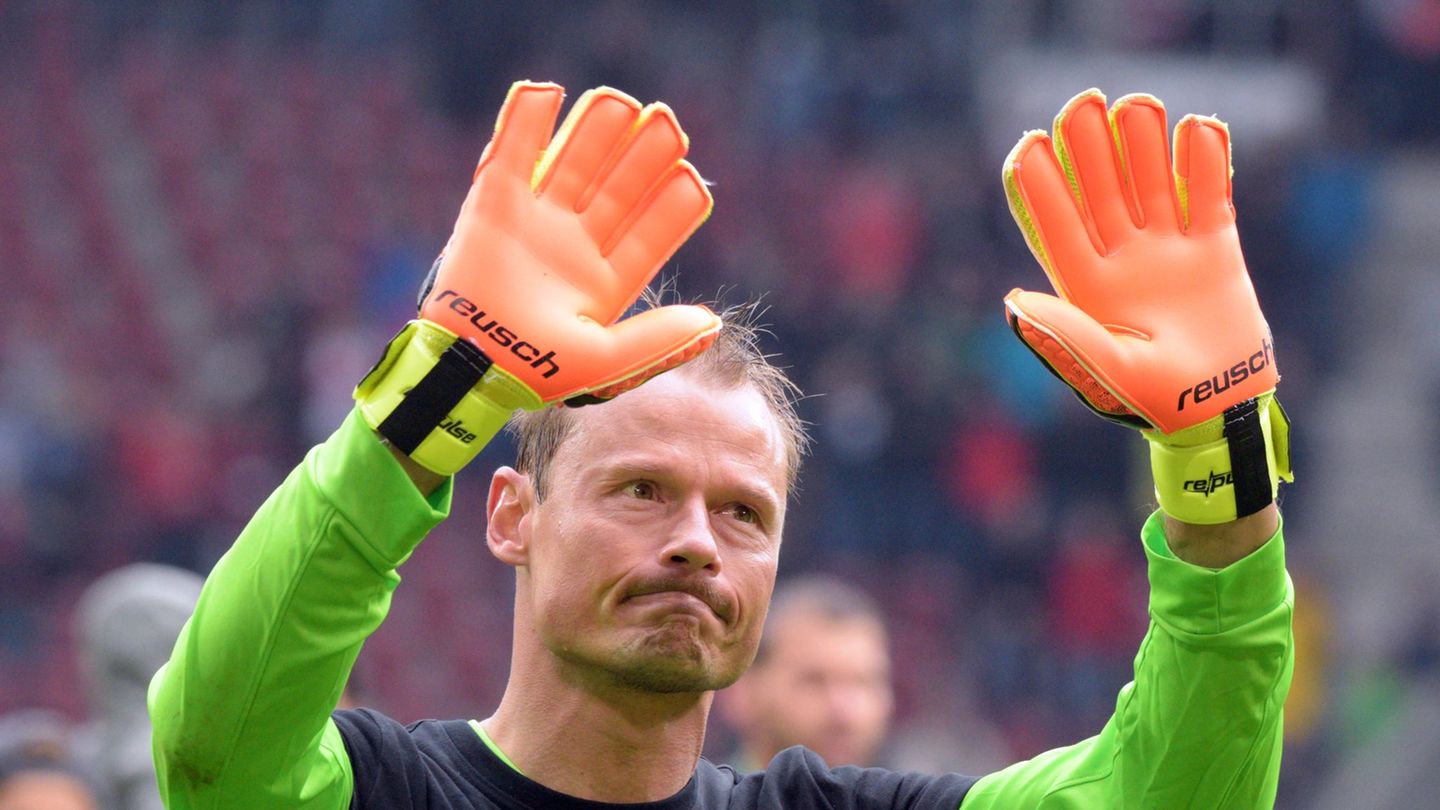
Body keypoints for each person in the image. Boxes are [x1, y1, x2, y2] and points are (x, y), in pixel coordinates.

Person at [149, 82, 1296, 808]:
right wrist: (434, 392)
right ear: (511, 514)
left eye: (744, 512)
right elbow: (213, 750)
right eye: (641, 489)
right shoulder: (383, 793)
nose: (698, 541)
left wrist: (1222, 476)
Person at [717, 575, 894, 771]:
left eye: (864, 682)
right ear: (742, 691)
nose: (845, 712)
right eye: (813, 681)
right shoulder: (703, 801)